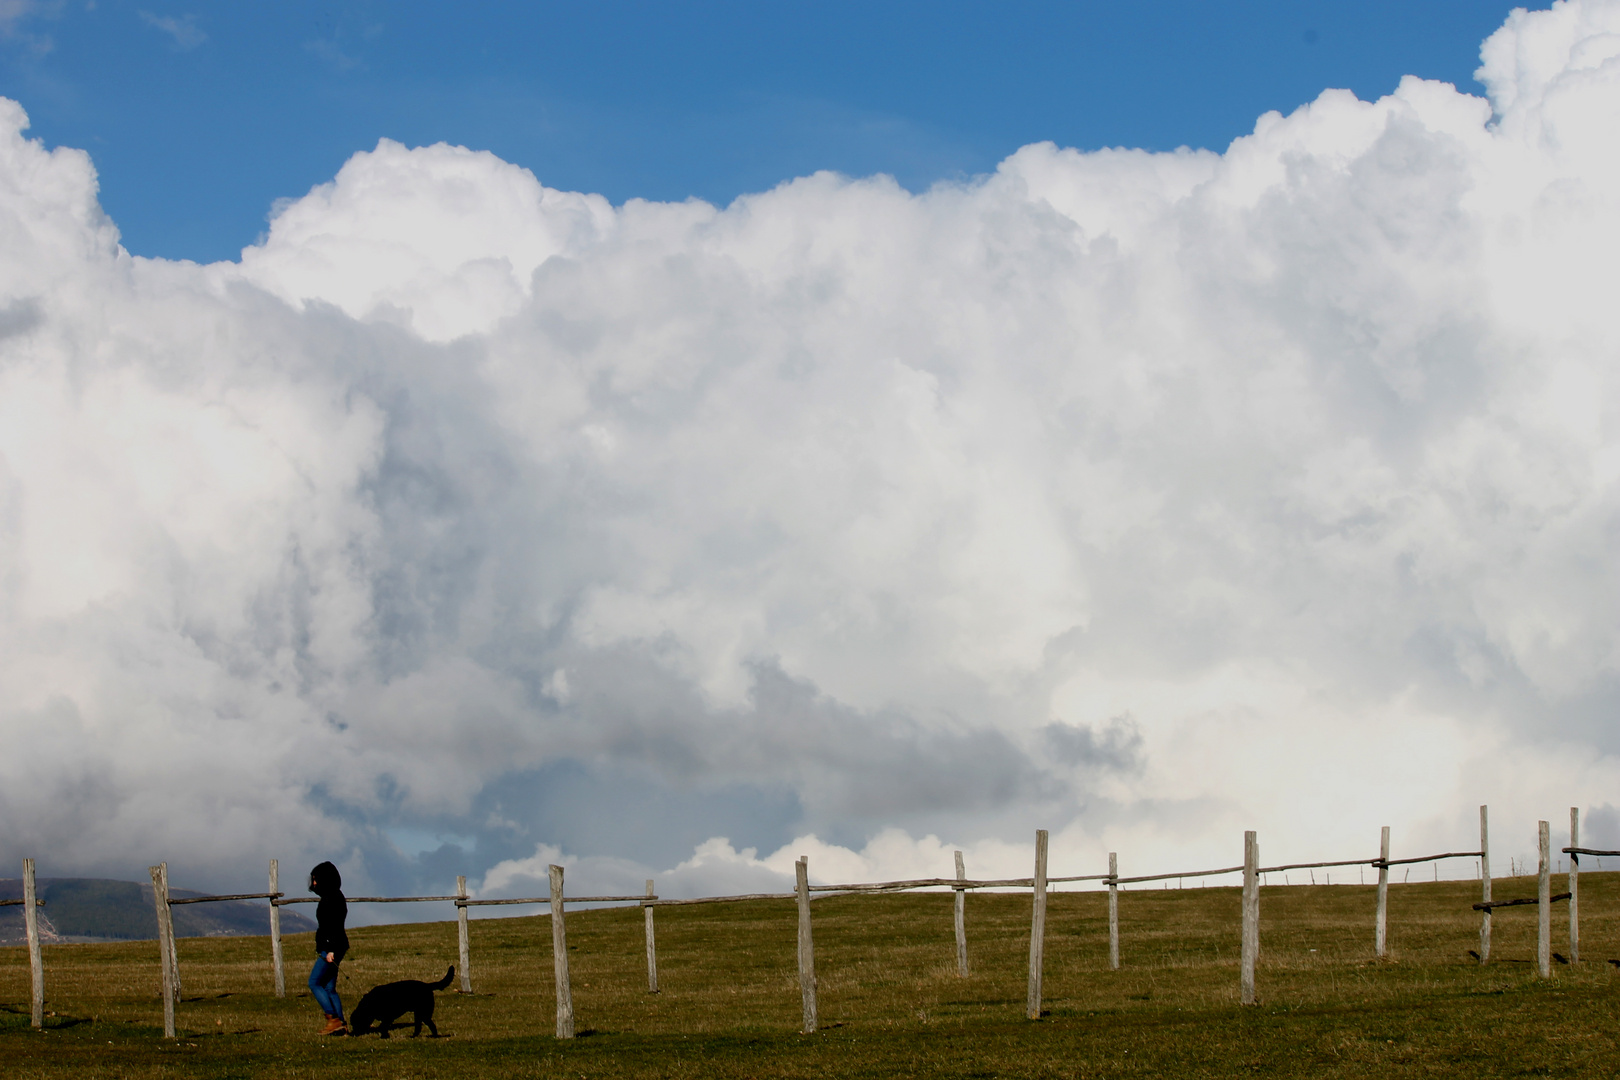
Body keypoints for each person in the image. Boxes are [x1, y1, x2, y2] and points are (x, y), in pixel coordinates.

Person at [307, 861, 350, 1035]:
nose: (314, 883)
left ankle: (332, 1019)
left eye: (317, 879)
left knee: (314, 982)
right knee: (329, 988)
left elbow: (335, 925)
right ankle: (342, 1025)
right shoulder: (333, 896)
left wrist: (331, 950)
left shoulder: (332, 899)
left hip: (332, 948)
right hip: (335, 946)